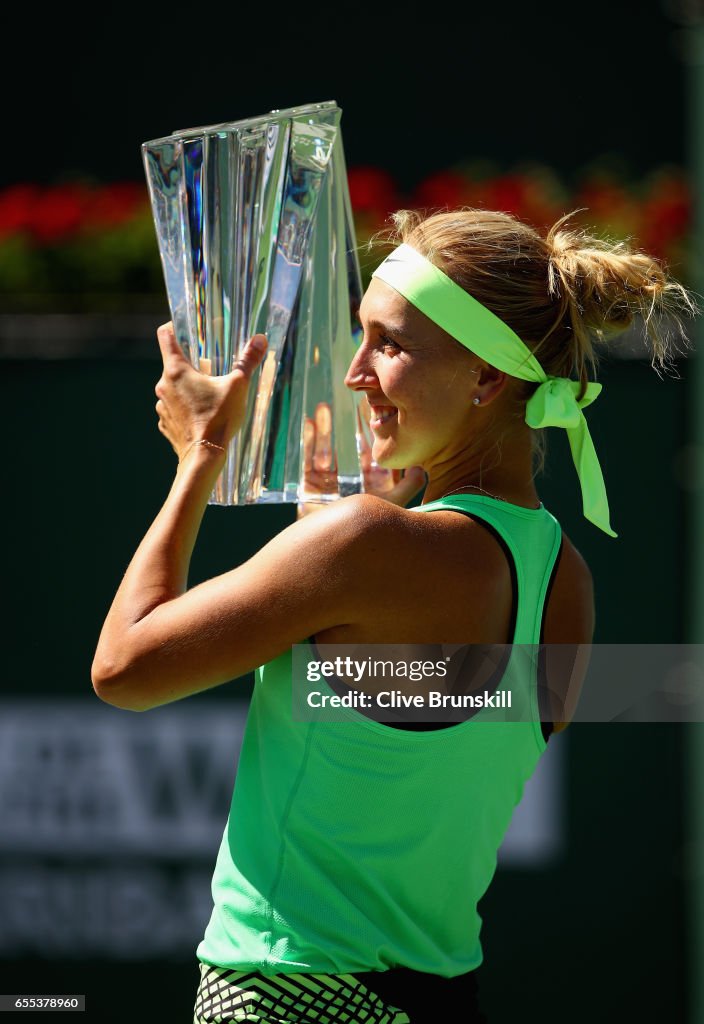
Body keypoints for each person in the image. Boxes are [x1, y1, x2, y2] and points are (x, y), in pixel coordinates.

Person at [91, 207, 694, 1024]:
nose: (356, 374)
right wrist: (335, 557)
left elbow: (125, 669)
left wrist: (201, 454)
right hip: (440, 1004)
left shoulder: (366, 548)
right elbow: (399, 724)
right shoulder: (564, 580)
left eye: (390, 345)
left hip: (288, 996)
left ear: (486, 380)